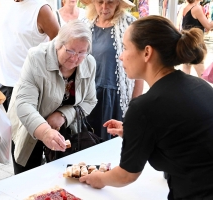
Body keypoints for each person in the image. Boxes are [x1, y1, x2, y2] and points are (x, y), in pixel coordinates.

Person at [79, 15, 213, 200]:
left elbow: (126, 175)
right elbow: (183, 137)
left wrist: (99, 179)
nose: (121, 55)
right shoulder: (198, 85)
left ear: (147, 52)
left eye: (125, 48)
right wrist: (134, 132)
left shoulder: (144, 106)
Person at [7, 20, 97, 175]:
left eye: (82, 53)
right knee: (28, 178)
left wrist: (63, 115)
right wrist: (46, 132)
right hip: (32, 128)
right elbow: (24, 104)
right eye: (70, 51)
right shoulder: (36, 58)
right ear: (58, 44)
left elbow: (90, 101)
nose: (76, 59)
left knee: (61, 179)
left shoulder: (89, 63)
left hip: (65, 131)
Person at [85, 0, 144, 141]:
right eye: (100, 2)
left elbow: (140, 67)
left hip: (116, 99)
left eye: (110, 2)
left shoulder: (130, 25)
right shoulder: (85, 25)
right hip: (89, 97)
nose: (104, 7)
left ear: (118, 2)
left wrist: (133, 105)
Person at [0, 0, 60, 111]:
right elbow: (2, 34)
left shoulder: (42, 9)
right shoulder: (3, 3)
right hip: (3, 83)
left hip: (28, 88)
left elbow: (59, 43)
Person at [182, 0, 213, 77]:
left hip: (186, 42)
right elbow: (208, 26)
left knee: (186, 70)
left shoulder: (186, 7)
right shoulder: (197, 8)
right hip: (195, 43)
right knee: (202, 74)